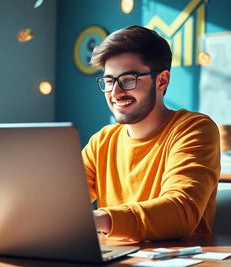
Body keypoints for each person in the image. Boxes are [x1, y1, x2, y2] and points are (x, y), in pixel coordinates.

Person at [83, 25, 220, 241]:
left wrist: (101, 219)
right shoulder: (101, 141)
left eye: (128, 79)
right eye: (109, 81)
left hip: (180, 260)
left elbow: (181, 211)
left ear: (162, 81)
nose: (116, 93)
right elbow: (64, 200)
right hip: (116, 258)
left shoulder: (194, 129)